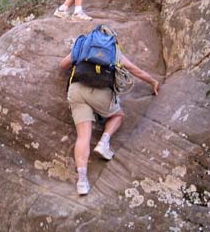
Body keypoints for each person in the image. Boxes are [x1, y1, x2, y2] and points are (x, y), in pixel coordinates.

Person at [60, 39, 159, 195]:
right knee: (118, 115)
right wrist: (153, 81)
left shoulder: (83, 45)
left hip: (76, 90)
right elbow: (135, 70)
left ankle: (82, 182)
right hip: (100, 92)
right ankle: (104, 142)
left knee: (83, 136)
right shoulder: (112, 49)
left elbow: (63, 64)